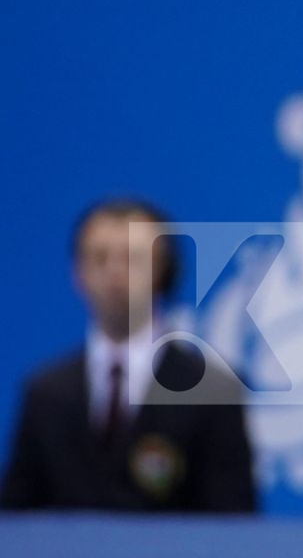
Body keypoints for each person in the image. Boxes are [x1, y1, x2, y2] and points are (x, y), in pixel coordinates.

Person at [1, 199, 257, 512]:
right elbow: (15, 520)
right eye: (100, 258)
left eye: (133, 259)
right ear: (77, 274)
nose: (115, 273)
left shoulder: (212, 391)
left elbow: (234, 527)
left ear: (163, 270)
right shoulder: (45, 393)